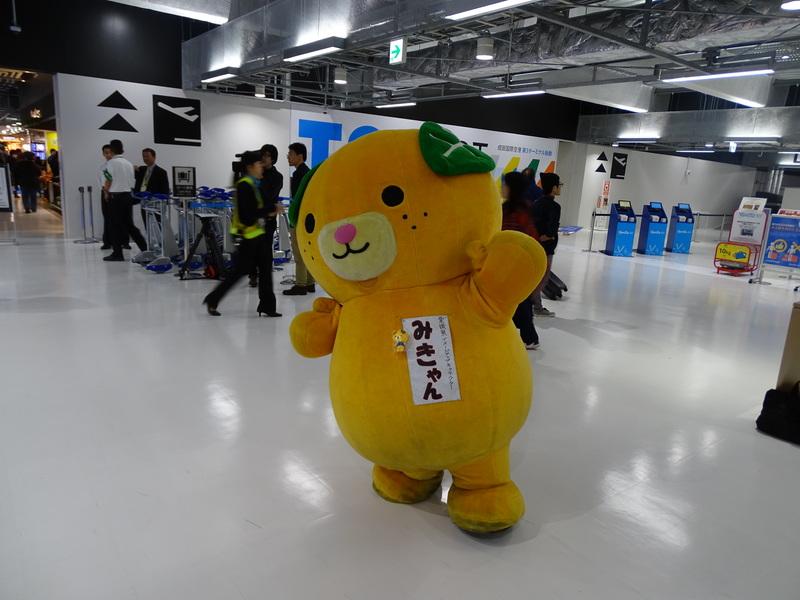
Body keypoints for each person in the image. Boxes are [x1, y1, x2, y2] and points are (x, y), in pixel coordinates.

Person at [203, 150, 281, 318]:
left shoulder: (253, 184)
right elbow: (247, 216)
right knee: (241, 271)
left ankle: (267, 306)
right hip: (247, 236)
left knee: (266, 269)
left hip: (257, 235)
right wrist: (270, 210)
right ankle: (213, 298)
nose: (262, 167)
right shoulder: (244, 185)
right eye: (259, 164)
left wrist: (269, 210)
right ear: (251, 167)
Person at [502, 171, 540, 350]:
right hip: (505, 263)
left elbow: (529, 238)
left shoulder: (521, 211)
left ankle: (530, 337)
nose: (502, 188)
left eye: (505, 184)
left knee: (521, 302)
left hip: (517, 264)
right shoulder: (509, 208)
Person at [102, 139, 147, 262]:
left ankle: (117, 253)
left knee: (114, 225)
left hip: (115, 197)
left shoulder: (111, 163)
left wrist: (106, 192)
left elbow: (108, 179)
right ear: (122, 149)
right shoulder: (128, 163)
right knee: (129, 225)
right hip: (127, 196)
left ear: (111, 150)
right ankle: (145, 248)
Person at [249, 143, 284, 288]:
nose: (264, 158)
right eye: (262, 155)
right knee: (252, 249)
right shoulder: (256, 173)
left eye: (267, 155)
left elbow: (270, 196)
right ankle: (253, 275)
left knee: (266, 250)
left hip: (268, 218)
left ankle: (265, 276)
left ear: (273, 158)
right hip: (254, 218)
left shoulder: (277, 176)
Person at [283, 142, 315, 296]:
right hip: (308, 219)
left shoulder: (298, 174)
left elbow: (297, 199)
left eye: (291, 154)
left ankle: (300, 284)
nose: (288, 157)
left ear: (299, 156)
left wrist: (293, 219)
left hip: (299, 218)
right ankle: (310, 283)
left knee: (298, 252)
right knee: (307, 251)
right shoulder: (309, 173)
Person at [530, 172, 562, 317]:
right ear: (553, 188)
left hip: (535, 245)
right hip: (547, 247)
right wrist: (549, 236)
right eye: (559, 185)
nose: (560, 188)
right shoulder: (555, 206)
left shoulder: (536, 203)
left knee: (534, 276)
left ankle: (530, 305)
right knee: (543, 277)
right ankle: (536, 306)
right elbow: (551, 230)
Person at [134, 147, 170, 226]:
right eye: (143, 156)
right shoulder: (141, 169)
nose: (145, 158)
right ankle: (149, 238)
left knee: (157, 226)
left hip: (155, 203)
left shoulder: (161, 172)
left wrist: (163, 203)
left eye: (147, 156)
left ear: (154, 157)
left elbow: (165, 189)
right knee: (147, 225)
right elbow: (136, 180)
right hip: (143, 202)